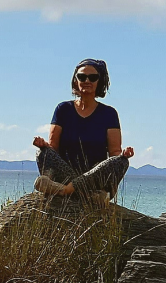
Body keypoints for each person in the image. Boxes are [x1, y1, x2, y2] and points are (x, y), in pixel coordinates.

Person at [33, 58, 134, 199]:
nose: (87, 81)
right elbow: (53, 147)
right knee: (42, 152)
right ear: (75, 80)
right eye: (82, 76)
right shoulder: (63, 109)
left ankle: (66, 191)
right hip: (65, 174)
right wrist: (44, 146)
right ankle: (89, 195)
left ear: (99, 82)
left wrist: (123, 154)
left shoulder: (109, 114)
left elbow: (114, 152)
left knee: (121, 161)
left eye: (93, 77)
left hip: (95, 178)